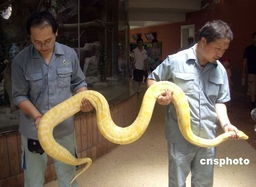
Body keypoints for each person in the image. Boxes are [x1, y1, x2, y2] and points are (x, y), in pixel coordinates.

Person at [147, 20, 239, 187]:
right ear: (203, 41)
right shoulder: (175, 61)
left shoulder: (220, 71)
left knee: (204, 183)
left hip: (207, 138)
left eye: (224, 49)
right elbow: (153, 79)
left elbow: (220, 102)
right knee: (177, 183)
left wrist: (226, 124)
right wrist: (161, 96)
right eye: (217, 48)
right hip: (179, 137)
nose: (220, 54)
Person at [11, 11, 93, 187]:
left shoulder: (70, 55)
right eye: (37, 42)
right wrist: (38, 117)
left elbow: (79, 83)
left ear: (56, 33)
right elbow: (19, 95)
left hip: (64, 129)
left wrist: (83, 97)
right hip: (34, 130)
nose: (42, 46)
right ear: (30, 37)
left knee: (68, 178)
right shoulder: (20, 61)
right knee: (33, 181)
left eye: (47, 41)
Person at [242, 32, 256, 109]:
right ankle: (253, 103)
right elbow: (245, 61)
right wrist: (244, 72)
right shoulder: (249, 49)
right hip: (251, 71)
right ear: (253, 39)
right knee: (252, 87)